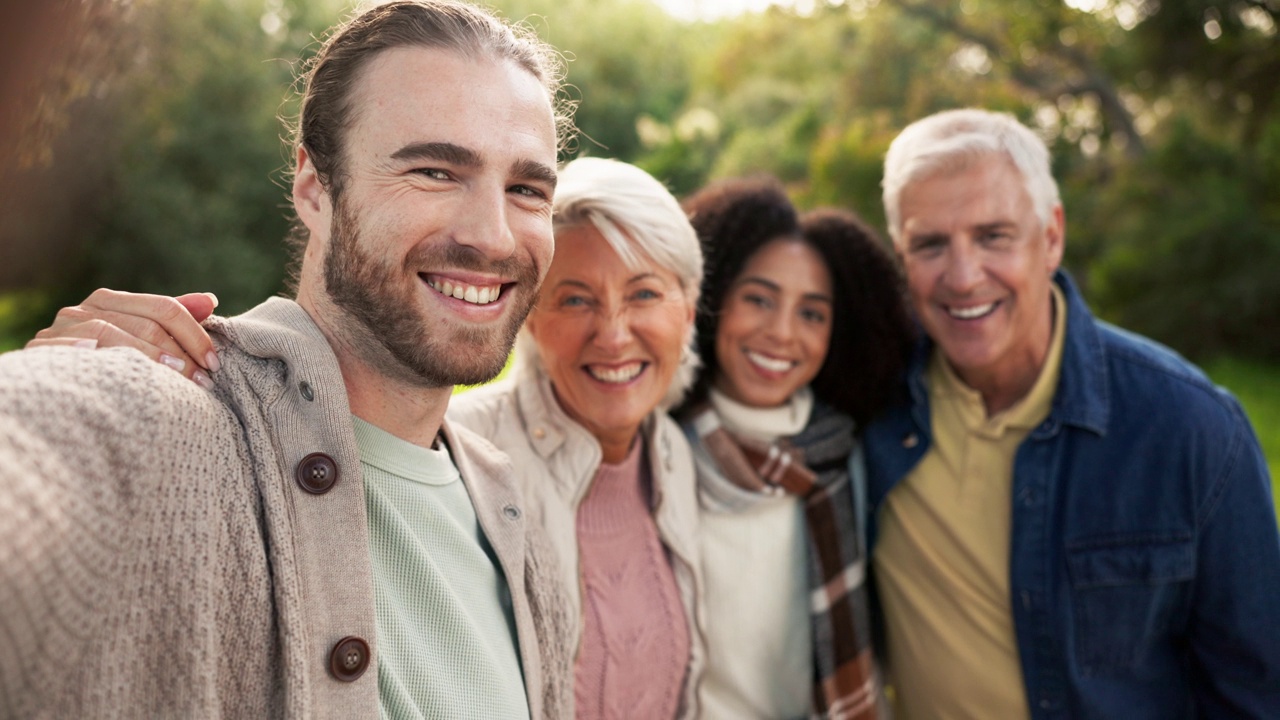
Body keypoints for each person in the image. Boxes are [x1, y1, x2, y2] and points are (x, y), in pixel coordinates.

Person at [0, 1, 575, 717]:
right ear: (313, 187)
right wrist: (57, 370)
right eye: (433, 171)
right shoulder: (161, 415)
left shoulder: (523, 534)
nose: (492, 237)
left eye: (526, 189)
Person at [864, 107, 1280, 718]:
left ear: (1051, 236)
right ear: (900, 254)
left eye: (993, 236)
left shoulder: (1191, 428)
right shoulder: (872, 405)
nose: (963, 276)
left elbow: (1257, 692)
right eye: (929, 244)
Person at [448, 156, 706, 719]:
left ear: (687, 311)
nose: (613, 336)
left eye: (643, 295)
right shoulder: (459, 451)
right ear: (529, 318)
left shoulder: (673, 455)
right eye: (575, 299)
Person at [677, 176, 913, 720]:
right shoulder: (657, 442)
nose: (783, 333)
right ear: (711, 299)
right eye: (758, 299)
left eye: (811, 313)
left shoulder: (847, 454)